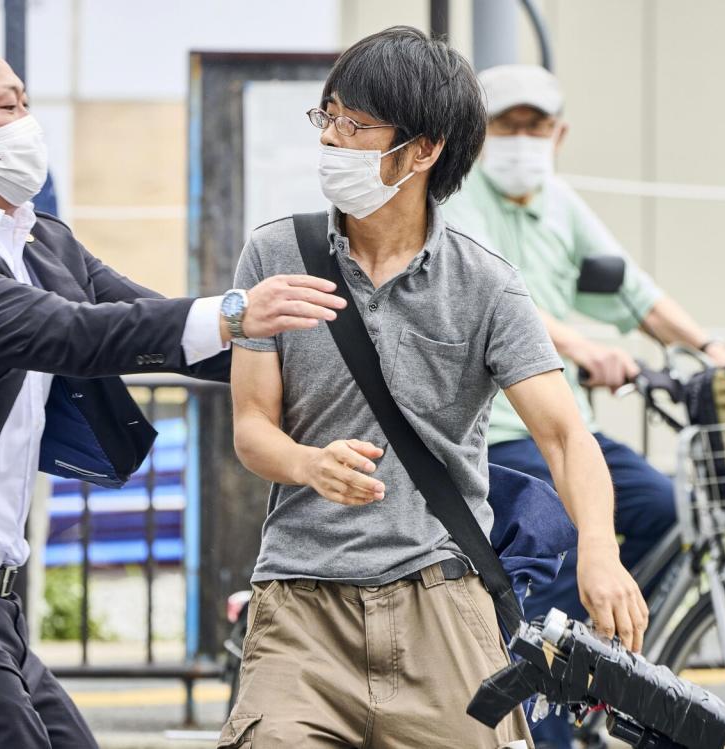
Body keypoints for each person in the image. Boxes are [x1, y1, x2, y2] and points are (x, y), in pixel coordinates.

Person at [0, 22, 345, 749]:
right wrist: (234, 310)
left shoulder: (39, 239)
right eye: (9, 107)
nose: (30, 124)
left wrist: (332, 360)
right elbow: (72, 333)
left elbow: (160, 329)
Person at [224, 27, 648, 749]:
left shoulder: (486, 284)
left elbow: (564, 433)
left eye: (355, 125)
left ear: (423, 150)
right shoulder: (275, 254)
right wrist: (307, 464)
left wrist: (600, 552)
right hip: (300, 603)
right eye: (326, 116)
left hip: (443, 602)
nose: (331, 138)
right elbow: (252, 425)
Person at [442, 64, 725, 748]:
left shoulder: (560, 203)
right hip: (500, 430)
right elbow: (506, 302)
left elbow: (636, 294)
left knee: (660, 507)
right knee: (561, 534)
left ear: (559, 134)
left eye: (535, 125)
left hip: (567, 423)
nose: (522, 138)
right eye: (506, 125)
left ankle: (575, 655)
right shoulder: (457, 205)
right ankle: (545, 696)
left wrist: (713, 348)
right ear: (481, 135)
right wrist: (584, 347)